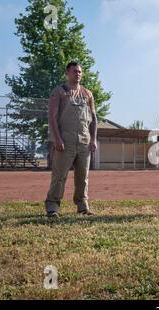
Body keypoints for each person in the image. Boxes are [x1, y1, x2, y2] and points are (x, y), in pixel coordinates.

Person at [44, 62, 98, 218]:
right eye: (75, 71)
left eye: (80, 71)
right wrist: (56, 138)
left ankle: (83, 206)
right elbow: (52, 118)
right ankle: (52, 206)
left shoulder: (88, 94)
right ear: (67, 73)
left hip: (84, 141)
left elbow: (93, 118)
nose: (78, 74)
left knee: (83, 177)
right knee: (59, 176)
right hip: (64, 141)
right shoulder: (59, 92)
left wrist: (93, 139)